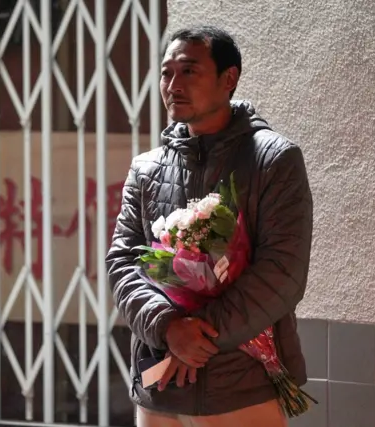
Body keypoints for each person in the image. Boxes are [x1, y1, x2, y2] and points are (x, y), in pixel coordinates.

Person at [105, 25, 313, 427]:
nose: (172, 84)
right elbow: (123, 263)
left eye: (188, 71)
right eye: (166, 73)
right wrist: (168, 329)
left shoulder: (274, 161)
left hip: (241, 388)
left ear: (228, 78)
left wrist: (196, 339)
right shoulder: (146, 169)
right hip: (159, 389)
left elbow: (282, 272)